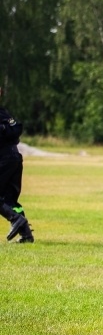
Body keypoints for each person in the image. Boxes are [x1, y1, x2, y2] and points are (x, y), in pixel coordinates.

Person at [0, 87, 34, 243]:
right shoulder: (4, 113)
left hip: (4, 158)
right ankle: (26, 235)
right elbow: (16, 129)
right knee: (10, 199)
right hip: (14, 157)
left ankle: (15, 218)